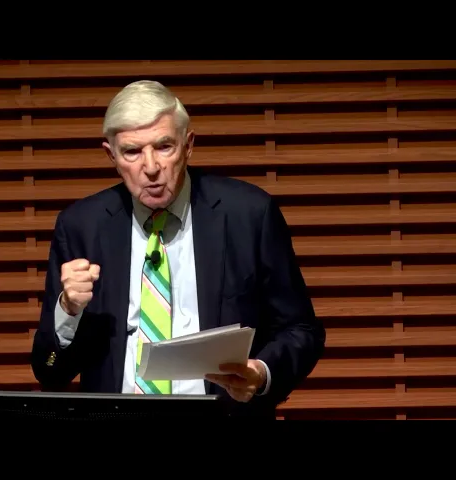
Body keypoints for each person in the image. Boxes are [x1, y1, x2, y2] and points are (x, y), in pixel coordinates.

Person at [30, 80, 325, 419]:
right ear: (111, 156)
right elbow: (49, 371)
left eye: (164, 146)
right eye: (132, 152)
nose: (151, 167)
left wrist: (261, 372)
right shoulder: (81, 226)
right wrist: (68, 312)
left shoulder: (249, 214)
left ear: (188, 145)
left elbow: (302, 331)